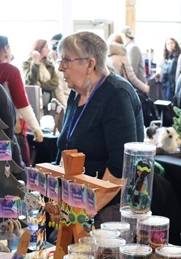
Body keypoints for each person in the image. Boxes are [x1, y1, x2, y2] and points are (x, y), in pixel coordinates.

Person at [55, 31, 143, 225]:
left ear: (89, 64)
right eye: (60, 60)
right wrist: (56, 197)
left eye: (66, 61)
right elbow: (64, 147)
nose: (61, 68)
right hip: (77, 199)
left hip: (108, 205)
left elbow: (121, 168)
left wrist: (85, 209)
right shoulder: (76, 95)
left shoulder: (116, 94)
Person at [0, 35, 44, 166]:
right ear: (5, 49)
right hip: (12, 130)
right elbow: (22, 104)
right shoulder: (11, 71)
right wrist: (36, 129)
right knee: (19, 172)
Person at [22, 39, 61, 112]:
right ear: (39, 48)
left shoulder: (49, 65)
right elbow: (32, 80)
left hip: (49, 102)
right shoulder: (26, 64)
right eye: (46, 47)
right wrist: (35, 62)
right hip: (34, 100)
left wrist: (42, 84)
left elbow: (55, 82)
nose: (48, 49)